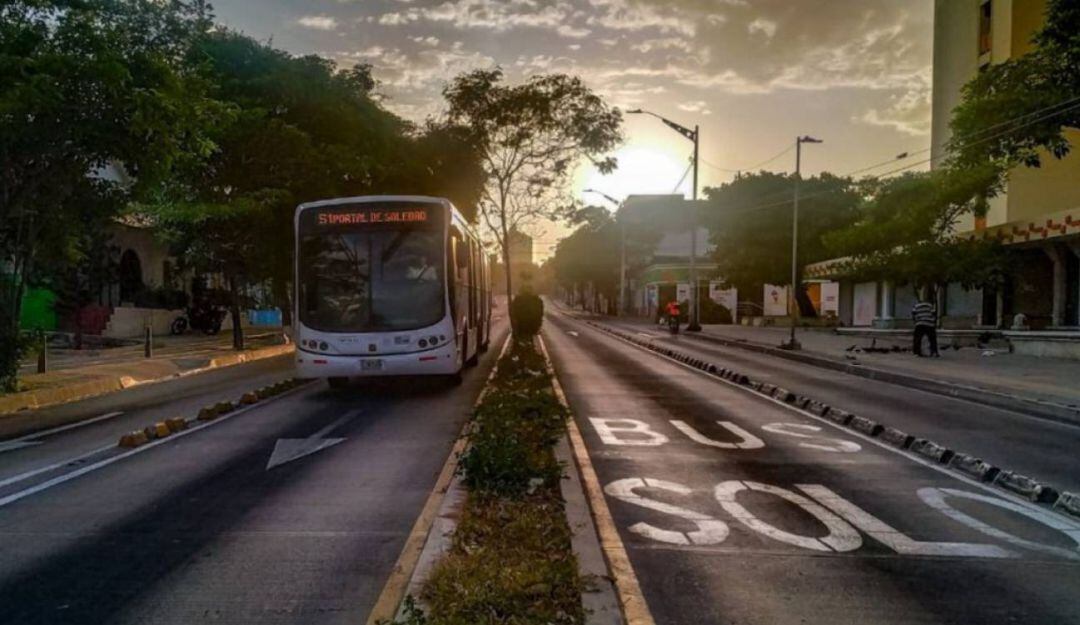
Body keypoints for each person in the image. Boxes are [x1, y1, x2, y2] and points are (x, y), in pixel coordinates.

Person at [912, 291, 939, 357]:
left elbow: (913, 314)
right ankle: (934, 352)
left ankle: (916, 352)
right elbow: (934, 313)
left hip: (920, 324)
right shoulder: (930, 306)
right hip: (929, 324)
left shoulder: (916, 306)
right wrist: (933, 322)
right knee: (932, 339)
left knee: (917, 339)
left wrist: (916, 321)